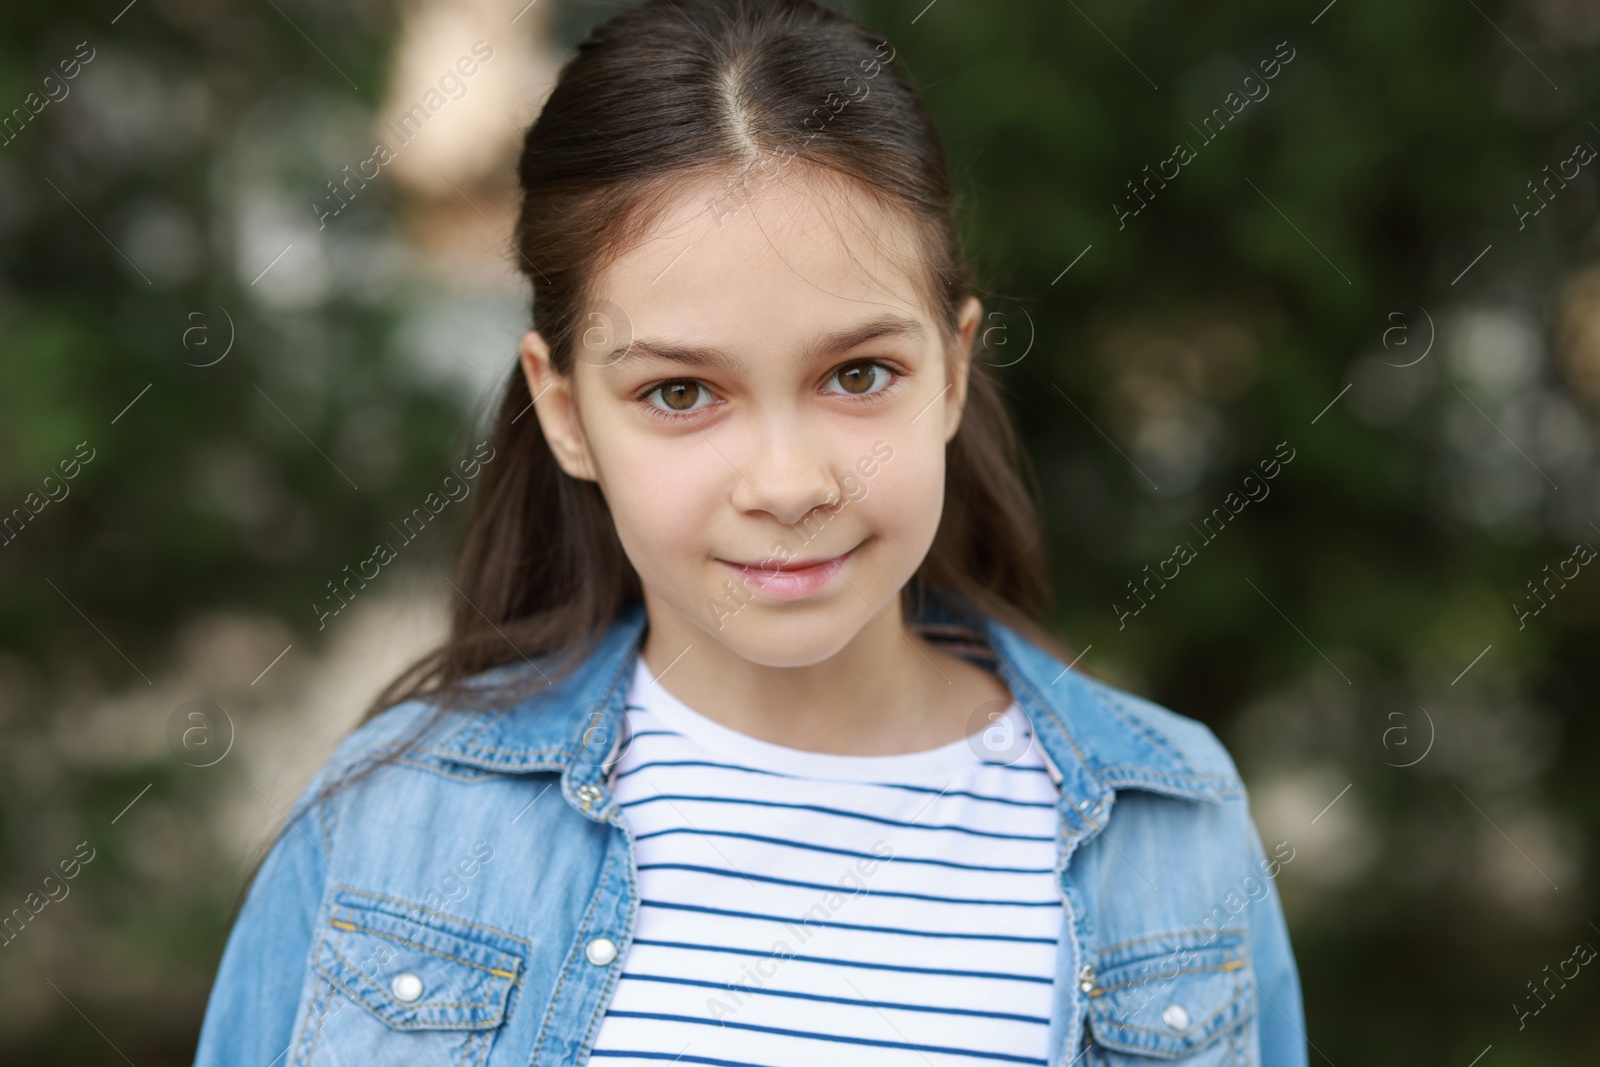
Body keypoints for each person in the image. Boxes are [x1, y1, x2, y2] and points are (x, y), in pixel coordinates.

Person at [192, 1, 1306, 1064]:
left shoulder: (1171, 825)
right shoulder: (394, 821)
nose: (786, 483)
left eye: (859, 374)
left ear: (954, 370)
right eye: (681, 392)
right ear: (567, 409)